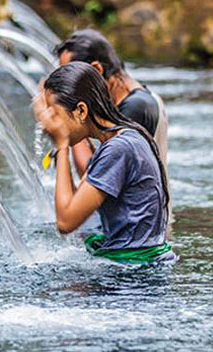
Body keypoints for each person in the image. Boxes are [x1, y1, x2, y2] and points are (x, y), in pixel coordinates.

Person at [34, 62, 175, 265]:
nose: (49, 122)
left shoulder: (118, 149)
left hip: (134, 279)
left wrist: (62, 145)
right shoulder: (124, 136)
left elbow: (66, 221)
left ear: (81, 110)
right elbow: (76, 202)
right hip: (137, 265)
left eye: (54, 114)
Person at [54, 30, 172, 223]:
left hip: (140, 237)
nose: (65, 90)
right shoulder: (136, 98)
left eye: (70, 80)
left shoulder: (134, 110)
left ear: (97, 70)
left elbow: (93, 177)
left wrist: (70, 127)